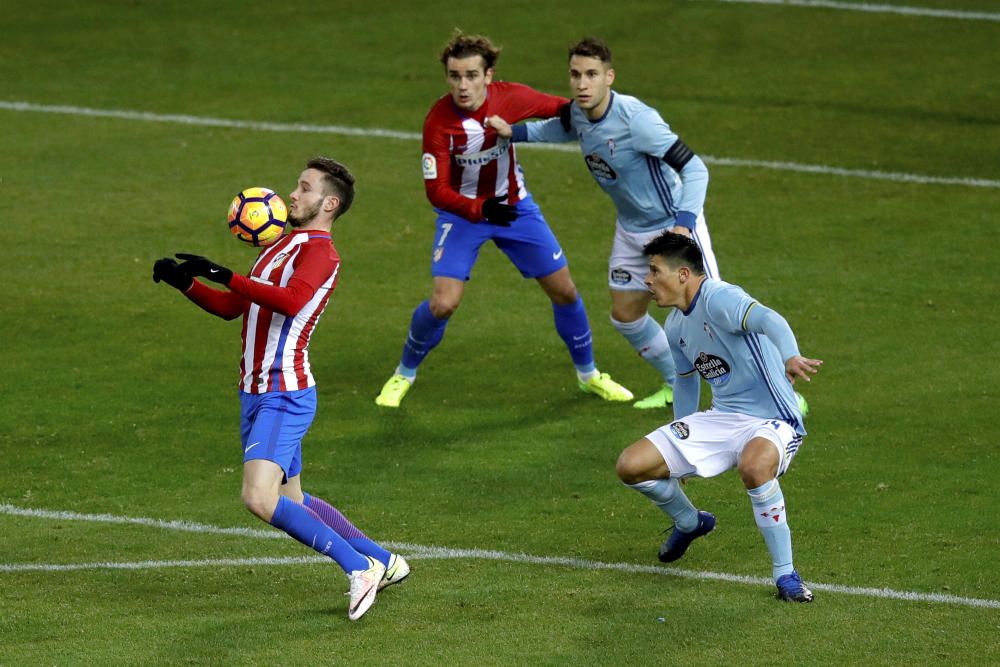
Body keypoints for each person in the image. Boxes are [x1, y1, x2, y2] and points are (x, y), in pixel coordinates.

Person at [152, 157, 408, 621]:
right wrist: (186, 283)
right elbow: (236, 308)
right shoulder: (280, 246)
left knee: (257, 498)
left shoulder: (320, 254)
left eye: (304, 188)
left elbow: (291, 302)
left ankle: (359, 568)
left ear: (329, 203)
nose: (292, 194)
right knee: (292, 502)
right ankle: (385, 561)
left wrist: (227, 273)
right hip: (255, 393)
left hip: (283, 394)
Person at [374, 32, 631, 408]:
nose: (463, 85)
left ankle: (589, 375)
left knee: (565, 290)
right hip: (462, 214)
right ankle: (403, 374)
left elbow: (563, 109)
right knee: (444, 303)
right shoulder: (438, 122)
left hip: (515, 208)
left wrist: (605, 121)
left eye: (471, 75)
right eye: (455, 76)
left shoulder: (511, 97)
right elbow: (437, 191)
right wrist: (480, 210)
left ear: (488, 75)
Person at [486, 37, 719, 411]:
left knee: (713, 316)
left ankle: (779, 393)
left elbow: (695, 168)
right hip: (630, 230)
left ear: (609, 77)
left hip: (672, 227)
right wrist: (516, 132)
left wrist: (684, 225)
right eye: (575, 74)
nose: (582, 83)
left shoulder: (637, 120)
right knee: (626, 316)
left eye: (592, 74)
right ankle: (677, 382)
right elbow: (562, 128)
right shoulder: (580, 111)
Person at [615, 232, 821, 602]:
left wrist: (790, 355)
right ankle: (689, 522)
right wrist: (677, 438)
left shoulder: (720, 298)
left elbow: (770, 319)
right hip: (723, 418)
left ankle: (786, 574)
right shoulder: (676, 325)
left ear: (682, 275)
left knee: (755, 468)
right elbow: (684, 381)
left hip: (773, 419)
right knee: (631, 465)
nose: (647, 280)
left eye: (654, 271)